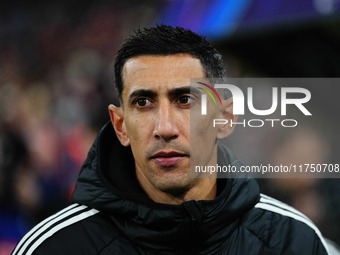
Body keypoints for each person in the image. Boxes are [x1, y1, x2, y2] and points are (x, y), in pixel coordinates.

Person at [12, 25, 332, 255]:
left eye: (185, 100)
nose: (165, 127)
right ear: (120, 126)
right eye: (143, 103)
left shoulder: (294, 240)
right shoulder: (53, 246)